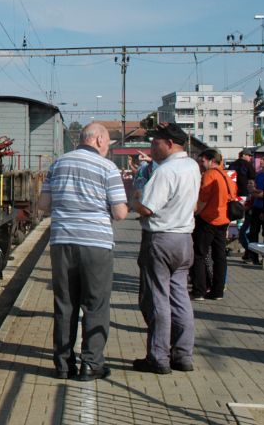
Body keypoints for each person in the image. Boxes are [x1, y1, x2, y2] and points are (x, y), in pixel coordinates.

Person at [37, 122, 128, 381]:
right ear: (99, 139)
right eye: (109, 142)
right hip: (96, 245)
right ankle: (91, 364)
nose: (108, 147)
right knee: (95, 304)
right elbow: (120, 213)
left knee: (65, 304)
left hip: (62, 241)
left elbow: (44, 205)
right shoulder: (108, 167)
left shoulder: (58, 164)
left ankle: (64, 366)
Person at [131, 123, 201, 374]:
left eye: (155, 143)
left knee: (157, 298)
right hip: (184, 239)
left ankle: (158, 357)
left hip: (160, 239)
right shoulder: (193, 166)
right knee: (180, 297)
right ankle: (183, 354)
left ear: (169, 144)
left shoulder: (165, 171)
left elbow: (148, 207)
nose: (152, 149)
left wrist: (134, 201)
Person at [190, 149, 235, 300]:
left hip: (208, 219)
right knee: (220, 256)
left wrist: (194, 213)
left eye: (202, 161)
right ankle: (217, 291)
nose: (200, 164)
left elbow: (203, 199)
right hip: (224, 219)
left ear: (211, 160)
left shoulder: (210, 175)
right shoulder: (225, 175)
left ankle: (199, 290)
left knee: (199, 254)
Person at [231, 149, 256, 257]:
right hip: (245, 196)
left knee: (238, 221)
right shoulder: (248, 165)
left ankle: (242, 245)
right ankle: (248, 248)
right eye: (249, 155)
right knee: (246, 223)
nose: (250, 158)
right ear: (244, 155)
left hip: (234, 196)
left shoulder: (232, 165)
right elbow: (252, 180)